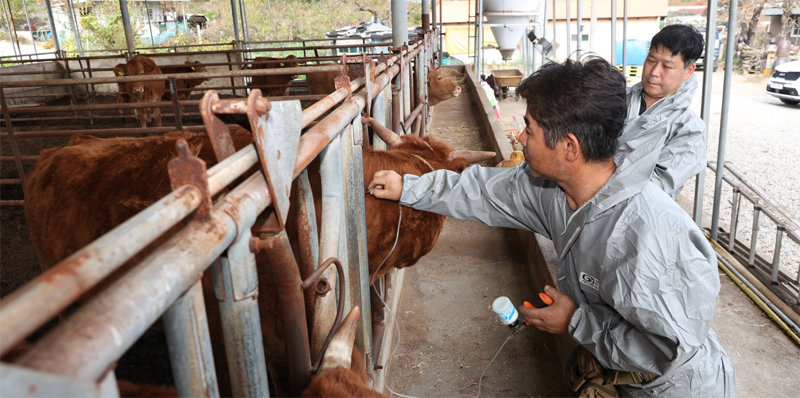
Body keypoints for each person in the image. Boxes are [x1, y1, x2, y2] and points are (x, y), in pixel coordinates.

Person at [367, 57, 735, 397]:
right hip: (617, 374)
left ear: (569, 148)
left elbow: (664, 349)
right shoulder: (554, 190)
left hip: (674, 388)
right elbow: (481, 190)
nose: (521, 138)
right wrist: (410, 186)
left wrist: (576, 321)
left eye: (529, 128)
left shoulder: (648, 237)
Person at [621, 24, 706, 199]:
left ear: (688, 71)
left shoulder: (689, 129)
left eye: (667, 66)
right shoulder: (616, 99)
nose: (654, 72)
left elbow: (656, 188)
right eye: (651, 60)